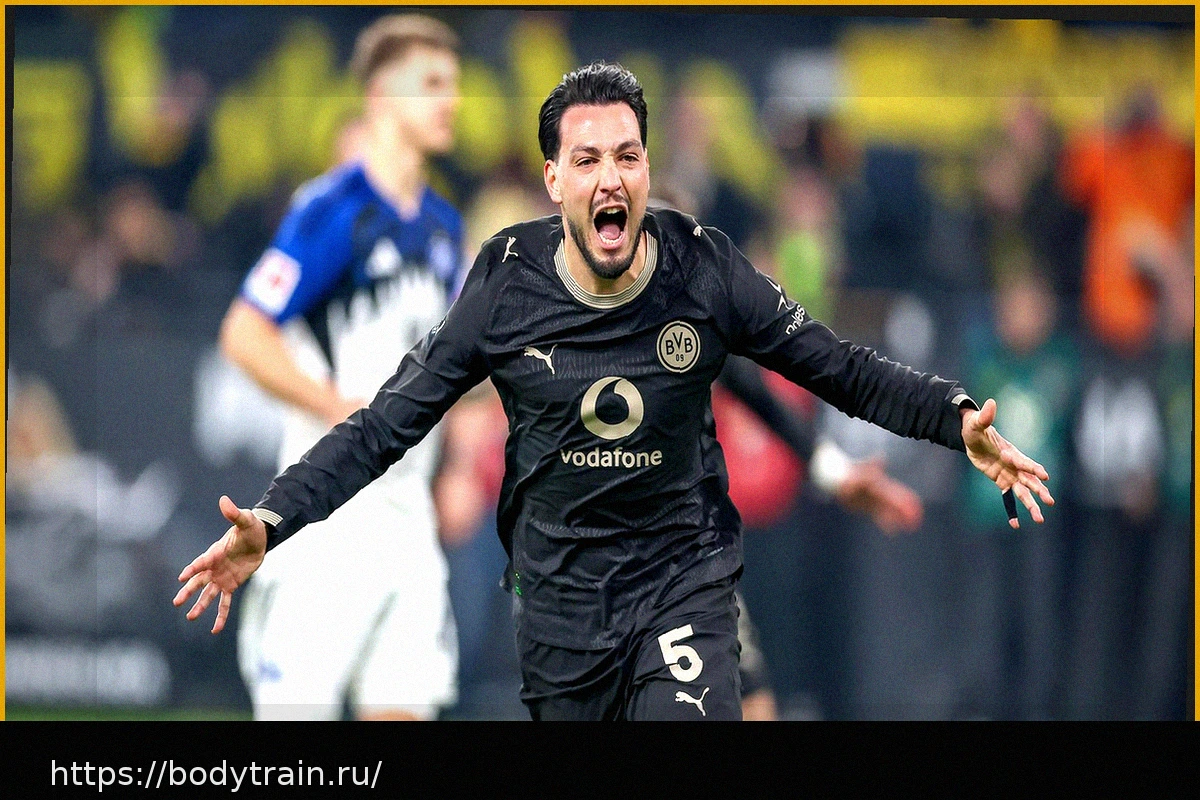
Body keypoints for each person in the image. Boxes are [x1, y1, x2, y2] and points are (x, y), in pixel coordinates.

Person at [177, 62, 1054, 722]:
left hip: (682, 580)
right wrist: (273, 520)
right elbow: (383, 426)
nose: (611, 176)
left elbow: (838, 367)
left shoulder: (702, 267)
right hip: (559, 602)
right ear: (554, 181)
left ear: (646, 170)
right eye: (587, 158)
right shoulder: (506, 283)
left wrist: (952, 418)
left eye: (628, 156)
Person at [216, 14, 464, 721]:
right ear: (381, 95)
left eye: (453, 84)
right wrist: (335, 407)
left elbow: (440, 371)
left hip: (409, 521)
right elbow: (244, 332)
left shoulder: (444, 227)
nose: (451, 101)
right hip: (328, 522)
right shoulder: (335, 210)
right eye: (432, 84)